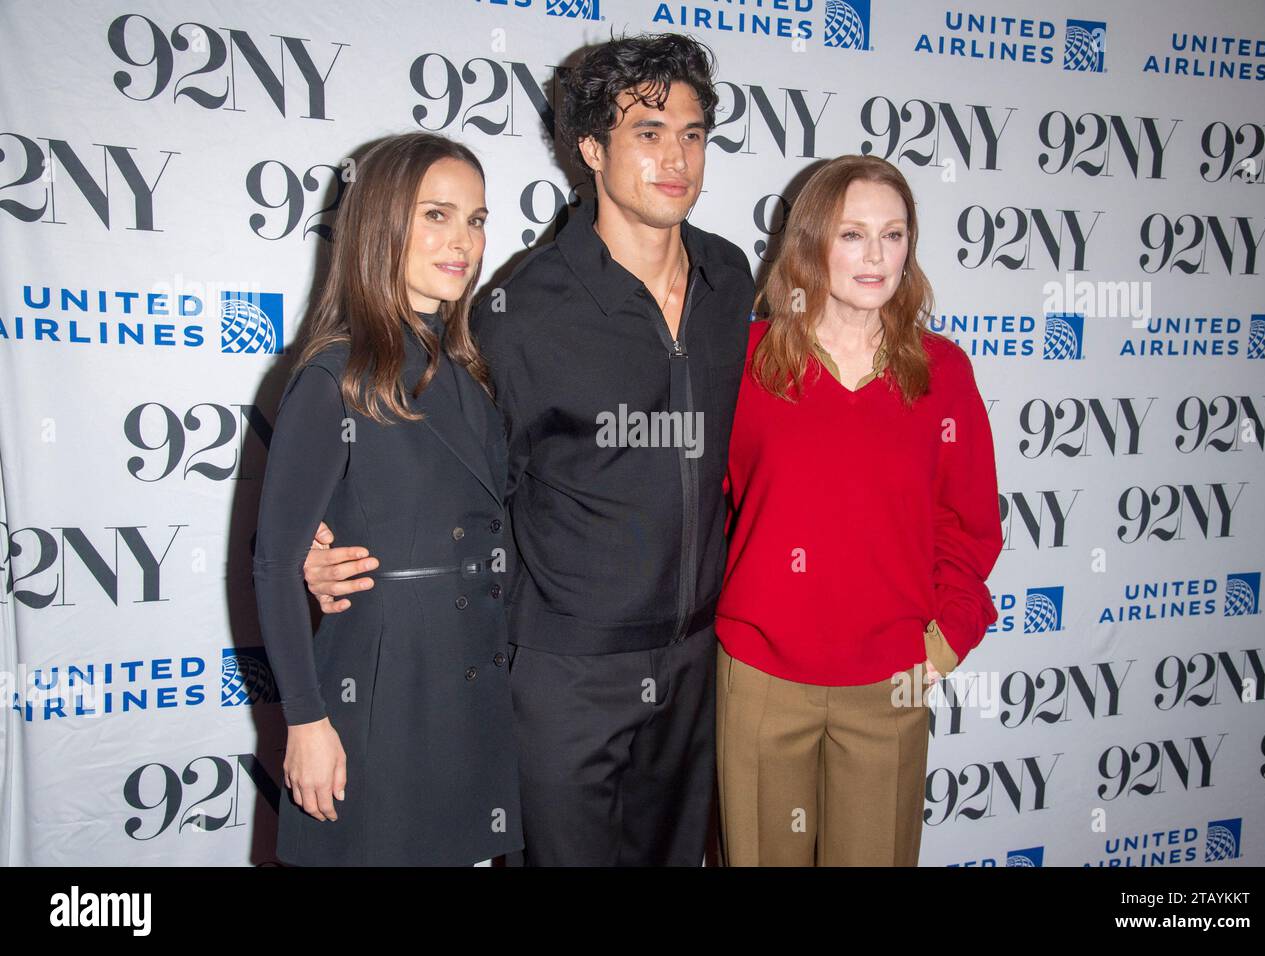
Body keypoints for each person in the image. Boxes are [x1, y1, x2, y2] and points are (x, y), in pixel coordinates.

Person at [300, 34, 757, 865]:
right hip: (563, 674)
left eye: (692, 134)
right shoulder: (518, 309)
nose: (676, 157)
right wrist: (322, 549)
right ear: (591, 148)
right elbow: (439, 467)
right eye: (648, 133)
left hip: (698, 663)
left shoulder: (733, 282)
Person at [714, 155, 1002, 866]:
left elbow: (967, 523)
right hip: (761, 677)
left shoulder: (943, 372)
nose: (876, 255)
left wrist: (945, 640)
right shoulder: (742, 364)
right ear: (811, 243)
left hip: (892, 680)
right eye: (852, 234)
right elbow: (691, 507)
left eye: (894, 233)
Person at [251, 132, 522, 866]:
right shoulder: (333, 375)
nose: (462, 240)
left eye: (475, 218)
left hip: (467, 684)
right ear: (381, 222)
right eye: (436, 215)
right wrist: (306, 722)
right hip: (381, 690)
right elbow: (276, 567)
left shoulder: (468, 373)